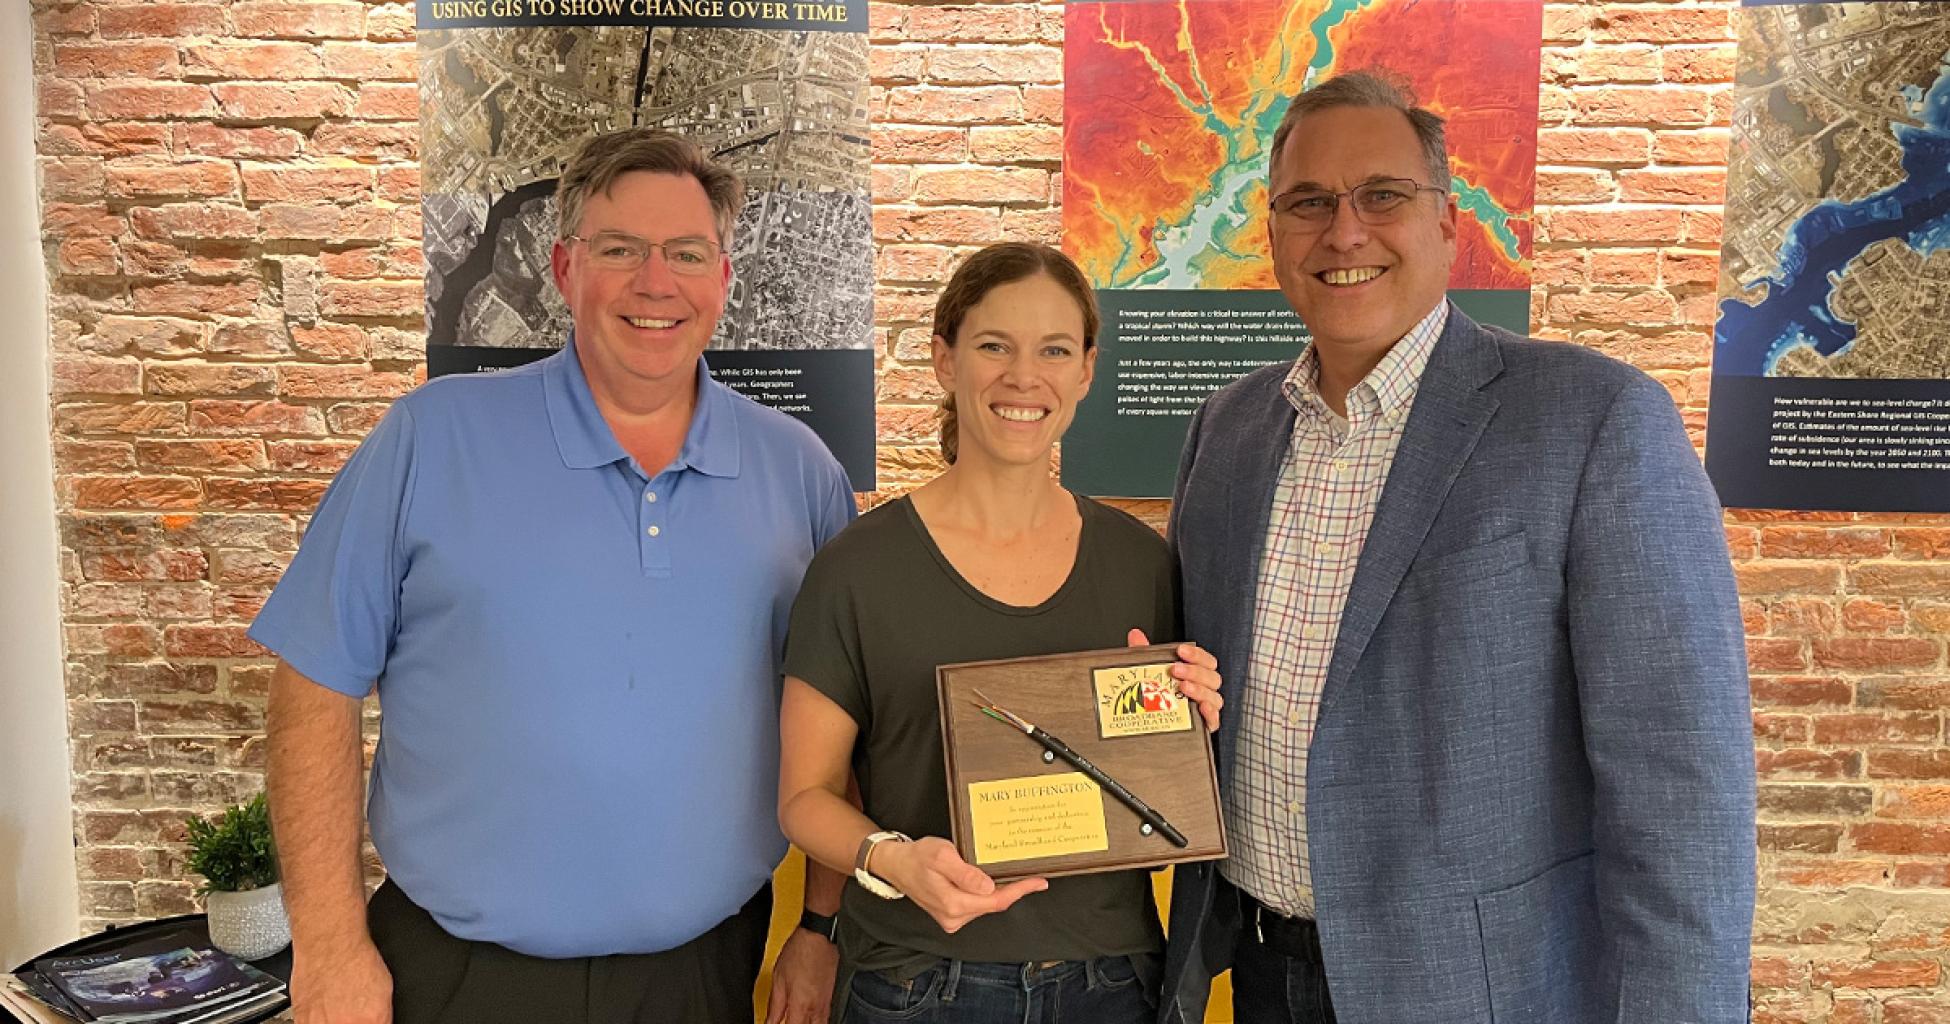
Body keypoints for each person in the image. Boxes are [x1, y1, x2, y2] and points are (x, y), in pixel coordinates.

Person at [1159, 72, 1755, 1024]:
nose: (1344, 232)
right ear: (1271, 237)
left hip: (1479, 989)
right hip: (1259, 971)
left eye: (1382, 196)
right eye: (1308, 203)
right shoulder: (1226, 432)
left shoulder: (1594, 420)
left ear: (1447, 223)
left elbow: (1681, 787)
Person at [252, 129, 854, 1024]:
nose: (657, 282)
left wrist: (822, 929)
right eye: (620, 251)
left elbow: (842, 721)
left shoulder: (800, 473)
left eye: (687, 253)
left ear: (723, 279)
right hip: (459, 981)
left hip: (708, 978)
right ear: (566, 267)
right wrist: (330, 946)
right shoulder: (430, 439)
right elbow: (311, 689)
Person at [776, 242, 1224, 1023]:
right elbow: (804, 798)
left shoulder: (1143, 563)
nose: (1025, 378)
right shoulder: (855, 570)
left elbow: (1166, 773)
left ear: (1086, 370)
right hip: (915, 983)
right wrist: (894, 860)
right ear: (945, 360)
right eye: (994, 347)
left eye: (1054, 349)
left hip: (1110, 980)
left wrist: (1192, 714)